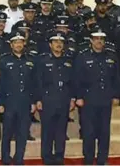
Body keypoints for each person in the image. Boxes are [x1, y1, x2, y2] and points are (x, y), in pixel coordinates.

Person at [73, 28, 120, 165]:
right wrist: (79, 97)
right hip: (88, 100)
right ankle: (88, 159)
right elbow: (77, 79)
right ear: (91, 40)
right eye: (96, 39)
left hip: (105, 99)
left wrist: (116, 95)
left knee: (104, 132)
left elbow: (116, 78)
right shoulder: (83, 56)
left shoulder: (111, 56)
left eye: (101, 39)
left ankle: (102, 160)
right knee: (89, 132)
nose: (99, 41)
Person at [36, 32, 75, 165]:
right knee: (47, 131)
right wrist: (38, 99)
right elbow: (38, 81)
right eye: (55, 42)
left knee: (61, 132)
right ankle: (46, 158)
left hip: (64, 100)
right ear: (50, 44)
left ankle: (59, 157)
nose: (58, 44)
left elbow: (72, 82)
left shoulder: (68, 60)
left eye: (61, 42)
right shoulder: (43, 60)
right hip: (47, 100)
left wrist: (72, 99)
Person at [0, 30, 36, 165]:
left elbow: (34, 83)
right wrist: (0, 102)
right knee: (7, 133)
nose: (18, 45)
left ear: (24, 44)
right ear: (11, 45)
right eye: (16, 42)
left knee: (22, 133)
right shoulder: (4, 60)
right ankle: (6, 159)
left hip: (25, 102)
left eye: (20, 42)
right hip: (9, 102)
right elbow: (0, 83)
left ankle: (19, 158)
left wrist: (33, 102)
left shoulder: (31, 60)